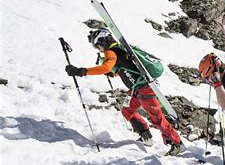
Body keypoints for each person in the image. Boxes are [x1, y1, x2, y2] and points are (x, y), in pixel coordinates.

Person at [64, 28, 185, 156]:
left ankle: (176, 143)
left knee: (156, 118)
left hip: (145, 89)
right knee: (127, 110)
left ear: (103, 41)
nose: (99, 49)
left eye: (98, 46)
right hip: (136, 90)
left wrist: (80, 71)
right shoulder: (120, 50)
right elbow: (127, 69)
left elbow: (105, 67)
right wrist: (114, 73)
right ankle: (146, 136)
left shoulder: (111, 51)